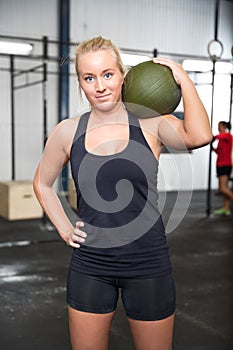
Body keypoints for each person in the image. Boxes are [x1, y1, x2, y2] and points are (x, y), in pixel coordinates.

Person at [33, 36, 212, 350]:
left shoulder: (150, 124)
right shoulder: (68, 131)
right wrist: (64, 228)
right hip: (91, 265)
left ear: (122, 76)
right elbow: (42, 183)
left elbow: (200, 135)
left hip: (148, 263)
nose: (99, 86)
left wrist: (182, 78)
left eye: (107, 74)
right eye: (89, 78)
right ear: (80, 83)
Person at [212, 121, 233, 216]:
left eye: (219, 126)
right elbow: (219, 152)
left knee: (222, 189)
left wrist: (211, 138)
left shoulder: (227, 136)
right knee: (224, 188)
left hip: (225, 165)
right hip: (220, 165)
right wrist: (213, 148)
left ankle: (226, 207)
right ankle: (226, 208)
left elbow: (218, 136)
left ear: (224, 126)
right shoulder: (221, 139)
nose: (218, 128)